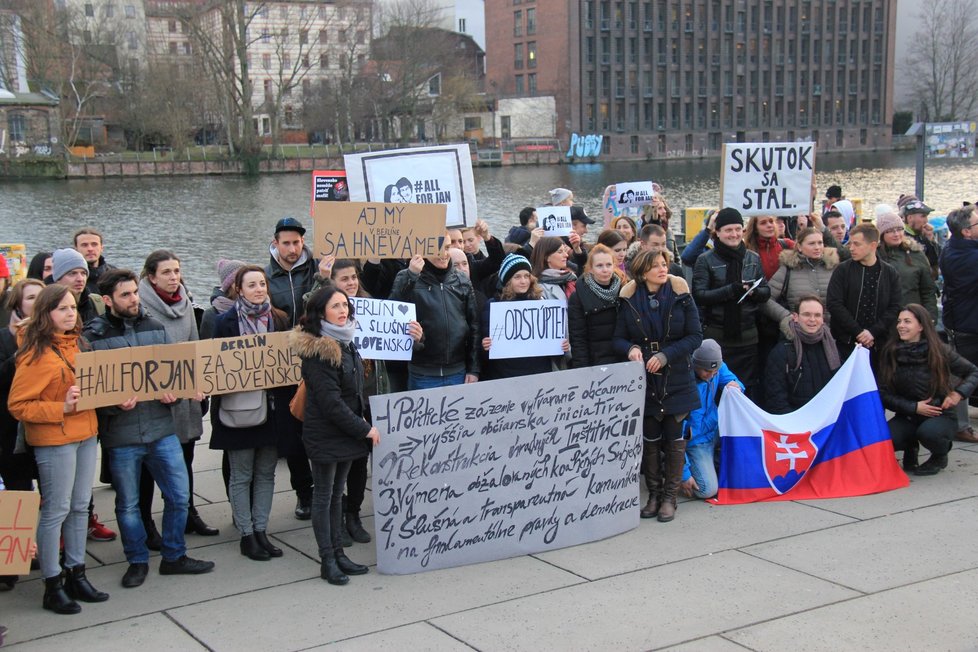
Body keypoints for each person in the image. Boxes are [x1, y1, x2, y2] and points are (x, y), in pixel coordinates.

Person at [84, 269, 215, 589]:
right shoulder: (94, 336)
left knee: (179, 495)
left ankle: (174, 555)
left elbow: (172, 374)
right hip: (122, 435)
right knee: (128, 504)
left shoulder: (155, 328)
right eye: (125, 295)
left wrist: (174, 396)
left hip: (161, 428)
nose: (133, 299)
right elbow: (92, 390)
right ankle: (137, 561)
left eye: (135, 293)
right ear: (107, 300)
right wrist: (115, 404)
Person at [7, 284, 108, 614]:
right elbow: (19, 405)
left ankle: (76, 572)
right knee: (57, 509)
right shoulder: (34, 354)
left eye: (73, 308)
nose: (70, 313)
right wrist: (60, 408)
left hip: (85, 434)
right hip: (55, 439)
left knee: (80, 506)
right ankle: (52, 582)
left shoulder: (78, 344)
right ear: (45, 314)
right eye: (62, 308)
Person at [290, 284, 379, 585]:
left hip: (345, 432)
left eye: (345, 305)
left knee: (336, 497)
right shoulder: (320, 349)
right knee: (324, 496)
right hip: (326, 434)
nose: (343, 311)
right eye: (336, 307)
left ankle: (339, 553)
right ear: (321, 313)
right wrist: (364, 428)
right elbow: (331, 404)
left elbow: (353, 393)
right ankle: (327, 558)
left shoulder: (346, 341)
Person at [614, 249, 703, 522]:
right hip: (645, 377)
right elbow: (617, 338)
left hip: (675, 372)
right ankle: (653, 495)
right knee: (650, 436)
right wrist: (630, 349)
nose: (663, 269)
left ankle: (669, 498)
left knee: (674, 437)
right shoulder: (629, 299)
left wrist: (666, 355)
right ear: (642, 272)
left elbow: (695, 336)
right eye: (656, 266)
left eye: (664, 264)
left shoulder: (681, 295)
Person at [209, 266, 288, 562]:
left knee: (266, 473)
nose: (259, 289)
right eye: (251, 285)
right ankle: (246, 533)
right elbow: (213, 367)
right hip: (237, 411)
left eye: (262, 284)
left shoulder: (278, 319)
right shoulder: (224, 323)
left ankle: (261, 529)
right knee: (241, 474)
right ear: (238, 289)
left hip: (271, 410)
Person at [138, 250, 217, 538]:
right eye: (167, 273)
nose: (173, 277)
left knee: (185, 458)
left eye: (176, 271)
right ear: (151, 277)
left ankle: (187, 512)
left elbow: (194, 344)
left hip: (185, 397)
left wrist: (201, 384)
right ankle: (146, 521)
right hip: (154, 400)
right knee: (149, 467)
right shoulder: (140, 306)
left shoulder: (185, 302)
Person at [49, 248, 115, 543]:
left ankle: (84, 521)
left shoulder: (94, 305)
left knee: (80, 480)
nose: (78, 278)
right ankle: (23, 553)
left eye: (82, 273)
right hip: (55, 411)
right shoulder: (44, 314)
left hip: (88, 402)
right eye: (71, 273)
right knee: (48, 488)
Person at [878, 304, 978, 475]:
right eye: (899, 321)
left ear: (921, 326)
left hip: (940, 414)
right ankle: (911, 447)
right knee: (886, 439)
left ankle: (940, 456)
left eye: (907, 321)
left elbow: (972, 372)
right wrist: (914, 407)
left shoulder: (940, 351)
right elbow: (883, 393)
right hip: (907, 414)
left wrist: (958, 394)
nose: (901, 325)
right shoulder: (890, 353)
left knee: (930, 434)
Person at [265, 217, 315, 520]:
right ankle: (304, 491)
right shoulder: (266, 277)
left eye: (297, 242)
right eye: (286, 243)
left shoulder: (316, 269)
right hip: (282, 366)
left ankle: (327, 488)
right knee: (292, 436)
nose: (293, 249)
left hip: (314, 360)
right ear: (275, 244)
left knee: (319, 429)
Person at [692, 207, 770, 396]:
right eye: (728, 230)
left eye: (737, 229)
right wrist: (731, 290)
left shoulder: (752, 258)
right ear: (717, 233)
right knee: (717, 388)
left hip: (748, 336)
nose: (734, 234)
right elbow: (700, 295)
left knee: (746, 386)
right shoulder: (705, 260)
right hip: (718, 335)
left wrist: (752, 292)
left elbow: (766, 291)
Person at [390, 239, 480, 389]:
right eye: (438, 249)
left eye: (446, 248)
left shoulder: (461, 279)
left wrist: (474, 369)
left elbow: (474, 326)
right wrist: (411, 276)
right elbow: (393, 314)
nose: (444, 254)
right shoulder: (407, 276)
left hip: (458, 371)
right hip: (423, 372)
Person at [481, 254, 568, 379]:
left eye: (526, 276)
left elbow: (553, 350)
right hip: (505, 376)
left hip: (539, 375)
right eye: (517, 277)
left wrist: (561, 347)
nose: (523, 281)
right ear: (507, 280)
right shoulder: (494, 305)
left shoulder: (542, 304)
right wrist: (485, 346)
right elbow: (486, 353)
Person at [826, 223, 902, 360]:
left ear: (872, 246)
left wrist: (873, 332)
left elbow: (895, 306)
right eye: (851, 244)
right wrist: (858, 332)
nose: (851, 248)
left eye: (857, 244)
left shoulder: (889, 273)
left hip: (879, 343)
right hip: (846, 342)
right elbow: (834, 303)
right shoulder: (843, 270)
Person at [680, 339, 743, 500]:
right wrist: (684, 474)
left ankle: (714, 463)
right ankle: (674, 470)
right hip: (695, 441)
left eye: (715, 372)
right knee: (707, 490)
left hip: (715, 429)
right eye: (707, 371)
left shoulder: (717, 368)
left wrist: (734, 386)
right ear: (696, 365)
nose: (711, 375)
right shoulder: (684, 383)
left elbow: (735, 382)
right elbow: (676, 438)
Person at [764, 295, 842, 414]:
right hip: (796, 422)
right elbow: (776, 399)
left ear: (823, 319)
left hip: (828, 420)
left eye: (817, 315)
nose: (812, 319)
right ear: (795, 317)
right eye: (806, 314)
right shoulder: (781, 352)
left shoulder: (833, 347)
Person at [940, 204, 978, 443]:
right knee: (963, 374)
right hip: (969, 323)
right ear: (966, 231)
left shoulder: (952, 249)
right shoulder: (969, 257)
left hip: (962, 320)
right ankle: (960, 426)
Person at [761, 227, 840, 338]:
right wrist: (787, 317)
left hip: (830, 335)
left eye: (820, 243)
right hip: (797, 334)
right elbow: (765, 299)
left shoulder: (833, 268)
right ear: (799, 247)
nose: (817, 247)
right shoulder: (788, 269)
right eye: (812, 243)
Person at [876, 212, 938, 323]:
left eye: (899, 229)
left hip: (912, 316)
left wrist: (930, 318)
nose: (896, 234)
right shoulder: (873, 256)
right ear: (881, 234)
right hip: (883, 319)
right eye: (890, 231)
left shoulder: (916, 254)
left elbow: (928, 290)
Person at [568, 244, 622, 368]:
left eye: (609, 265)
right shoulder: (578, 297)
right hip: (595, 363)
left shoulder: (624, 290)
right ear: (590, 269)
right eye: (599, 266)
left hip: (623, 360)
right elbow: (578, 339)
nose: (605, 270)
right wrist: (582, 370)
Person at [50, 248, 105, 326]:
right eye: (72, 273)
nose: (80, 279)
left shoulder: (97, 303)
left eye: (83, 273)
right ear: (58, 278)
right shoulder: (45, 305)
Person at [897, 194, 939, 276]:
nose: (926, 220)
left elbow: (935, 261)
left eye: (926, 217)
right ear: (910, 218)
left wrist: (930, 240)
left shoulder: (922, 235)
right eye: (923, 216)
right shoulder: (900, 237)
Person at [744, 215, 794, 280]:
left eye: (771, 221)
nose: (769, 225)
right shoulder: (747, 251)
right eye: (763, 223)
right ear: (755, 228)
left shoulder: (787, 244)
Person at [531, 237, 578, 303]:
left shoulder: (571, 279)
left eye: (565, 251)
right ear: (546, 257)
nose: (566, 255)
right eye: (560, 252)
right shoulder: (537, 289)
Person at [73, 228, 115, 296]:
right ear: (76, 249)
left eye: (94, 244)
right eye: (84, 245)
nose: (90, 249)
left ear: (101, 248)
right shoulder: (71, 278)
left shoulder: (114, 274)